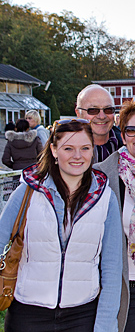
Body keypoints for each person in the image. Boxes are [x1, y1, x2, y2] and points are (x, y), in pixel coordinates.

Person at [0, 118, 122, 331]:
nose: (77, 156)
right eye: (68, 148)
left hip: (83, 314)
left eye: (85, 148)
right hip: (28, 314)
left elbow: (112, 268)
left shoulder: (105, 198)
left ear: (92, 150)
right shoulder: (27, 192)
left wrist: (105, 325)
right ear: (54, 150)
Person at [76, 84, 123, 162]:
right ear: (78, 113)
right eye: (93, 110)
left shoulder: (128, 147)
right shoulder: (64, 150)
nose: (102, 116)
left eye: (108, 109)